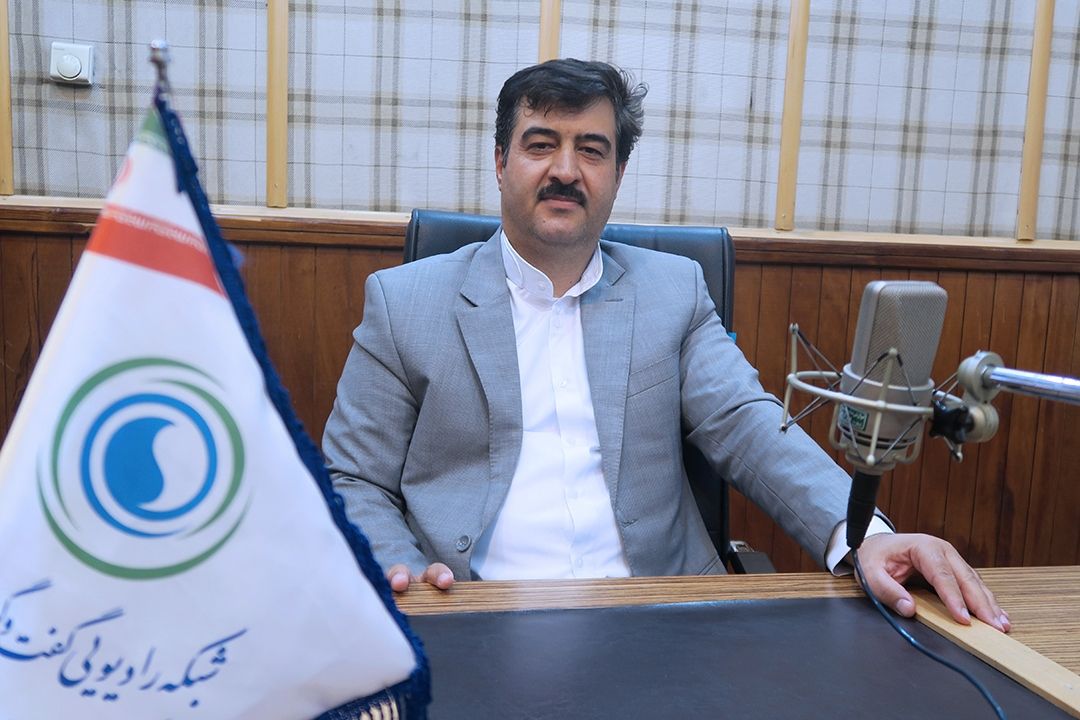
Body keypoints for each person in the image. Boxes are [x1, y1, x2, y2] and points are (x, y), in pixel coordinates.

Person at [323, 58, 1009, 633]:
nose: (565, 169)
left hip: (655, 615)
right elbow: (354, 477)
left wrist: (864, 537)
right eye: (540, 144)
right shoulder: (405, 303)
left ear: (618, 173)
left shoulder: (672, 292)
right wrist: (399, 567)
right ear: (501, 163)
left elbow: (746, 424)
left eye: (592, 150)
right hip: (472, 612)